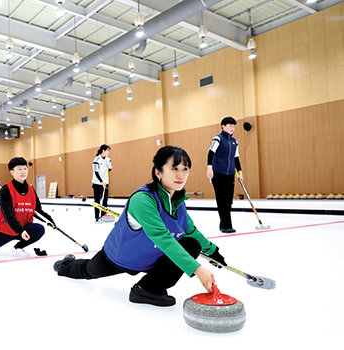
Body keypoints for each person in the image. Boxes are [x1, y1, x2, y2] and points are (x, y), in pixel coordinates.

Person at [54, 146, 227, 307]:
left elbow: (190, 230)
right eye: (174, 168)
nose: (181, 175)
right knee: (88, 270)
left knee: (191, 244)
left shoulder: (177, 202)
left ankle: (147, 289)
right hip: (120, 257)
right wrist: (197, 269)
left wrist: (213, 251)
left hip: (151, 259)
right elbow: (162, 238)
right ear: (158, 172)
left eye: (185, 169)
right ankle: (65, 266)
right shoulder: (143, 199)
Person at [0, 157, 56, 257]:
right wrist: (20, 230)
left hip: (23, 229)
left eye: (25, 168)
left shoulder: (31, 189)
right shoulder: (6, 190)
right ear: (12, 172)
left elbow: (38, 210)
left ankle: (18, 247)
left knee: (39, 229)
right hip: (5, 230)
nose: (23, 171)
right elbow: (8, 215)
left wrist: (50, 220)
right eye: (19, 169)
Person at [206, 116, 242, 233]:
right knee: (222, 200)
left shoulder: (234, 142)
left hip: (230, 173)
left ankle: (223, 225)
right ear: (223, 126)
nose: (232, 128)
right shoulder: (218, 139)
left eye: (234, 126)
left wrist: (239, 172)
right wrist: (209, 168)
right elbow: (210, 153)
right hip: (218, 173)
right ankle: (226, 226)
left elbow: (236, 158)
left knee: (229, 200)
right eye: (230, 126)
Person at [92, 144, 112, 223]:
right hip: (97, 183)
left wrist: (109, 167)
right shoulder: (96, 160)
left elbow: (109, 169)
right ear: (103, 151)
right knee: (97, 200)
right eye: (107, 151)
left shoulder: (108, 159)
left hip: (105, 182)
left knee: (105, 200)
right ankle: (97, 217)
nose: (108, 152)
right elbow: (96, 173)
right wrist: (101, 181)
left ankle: (103, 216)